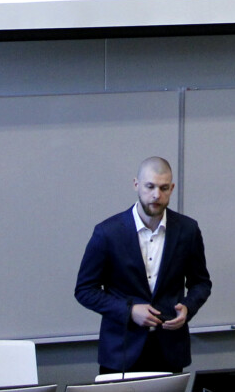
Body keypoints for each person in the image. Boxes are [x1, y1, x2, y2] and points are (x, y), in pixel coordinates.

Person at [75, 157, 212, 374]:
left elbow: (201, 283)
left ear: (172, 188)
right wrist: (129, 311)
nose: (156, 195)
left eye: (164, 188)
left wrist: (188, 307)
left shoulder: (188, 230)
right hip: (121, 351)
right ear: (136, 185)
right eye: (150, 186)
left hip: (170, 349)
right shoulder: (108, 232)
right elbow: (84, 290)